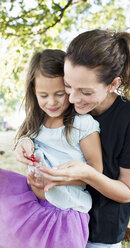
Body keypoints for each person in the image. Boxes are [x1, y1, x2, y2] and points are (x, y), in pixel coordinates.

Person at [14, 29, 130, 248]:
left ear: (113, 84)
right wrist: (22, 143)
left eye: (85, 92)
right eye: (67, 86)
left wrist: (88, 174)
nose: (72, 98)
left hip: (100, 232)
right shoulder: (64, 105)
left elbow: (126, 192)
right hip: (55, 219)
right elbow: (36, 130)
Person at [0, 49, 103, 248]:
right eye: (43, 95)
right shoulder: (36, 123)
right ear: (34, 93)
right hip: (34, 203)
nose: (52, 102)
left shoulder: (82, 125)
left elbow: (96, 171)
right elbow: (25, 140)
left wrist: (59, 178)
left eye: (59, 94)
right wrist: (24, 143)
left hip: (65, 213)